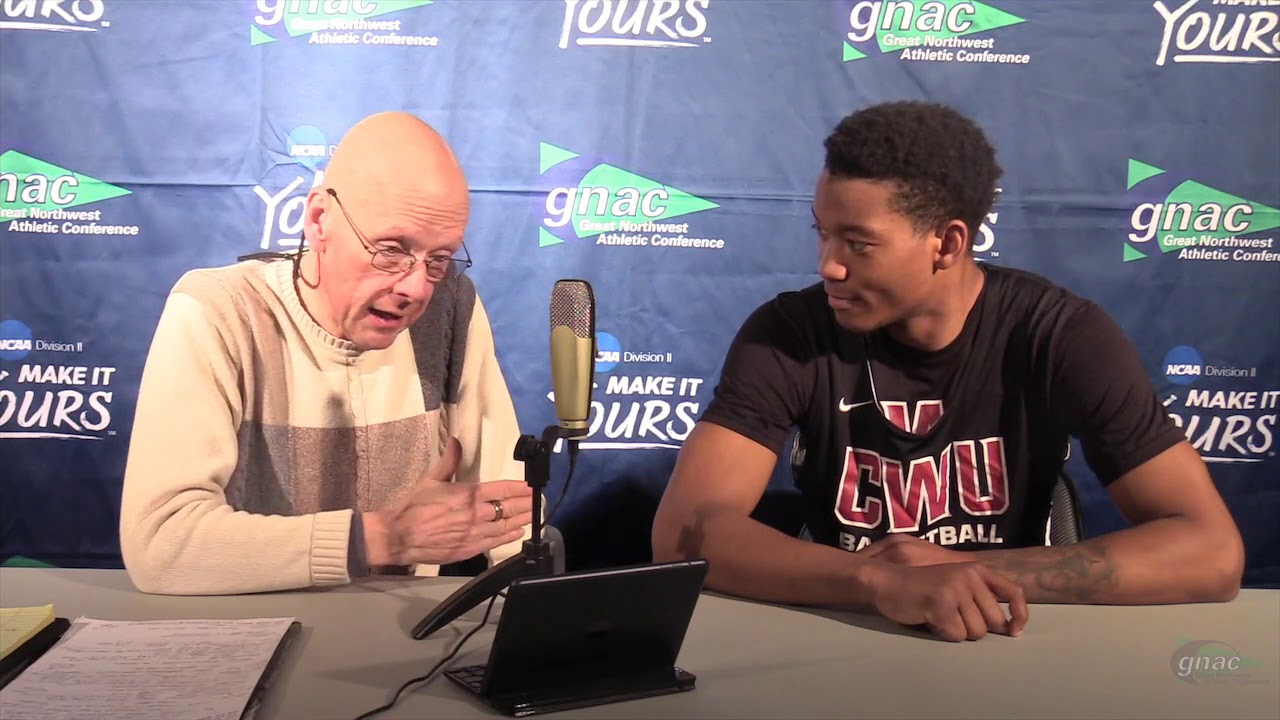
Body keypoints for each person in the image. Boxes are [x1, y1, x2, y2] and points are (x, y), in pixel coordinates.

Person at [652, 101, 1245, 641]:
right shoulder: (789, 333)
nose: (828, 266)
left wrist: (965, 571)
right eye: (823, 233)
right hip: (841, 630)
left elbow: (1211, 552)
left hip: (1003, 641)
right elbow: (683, 533)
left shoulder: (1060, 334)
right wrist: (875, 581)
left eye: (858, 244)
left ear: (947, 242)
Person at [120, 112, 533, 595]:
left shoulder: (452, 305)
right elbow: (162, 544)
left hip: (396, 639)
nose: (417, 287)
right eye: (392, 249)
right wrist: (380, 540)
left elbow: (514, 515)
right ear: (319, 219)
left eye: (438, 259)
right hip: (244, 632)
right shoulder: (218, 311)